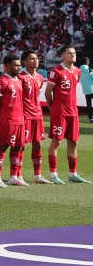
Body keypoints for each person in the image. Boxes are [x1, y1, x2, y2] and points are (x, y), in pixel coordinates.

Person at [45, 44, 89, 184]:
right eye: (69, 53)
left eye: (74, 53)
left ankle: (73, 174)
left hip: (73, 113)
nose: (72, 55)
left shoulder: (77, 71)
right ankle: (53, 175)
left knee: (74, 143)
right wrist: (53, 108)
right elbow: (47, 92)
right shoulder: (56, 71)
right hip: (60, 113)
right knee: (56, 142)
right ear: (63, 55)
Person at [0, 53, 27, 187]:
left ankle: (13, 176)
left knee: (18, 147)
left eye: (19, 65)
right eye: (16, 65)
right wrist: (0, 118)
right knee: (3, 146)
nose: (19, 67)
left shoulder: (19, 80)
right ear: (7, 66)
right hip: (8, 120)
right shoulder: (2, 81)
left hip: (20, 120)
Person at [19, 50, 49, 184]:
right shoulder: (20, 77)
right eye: (31, 59)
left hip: (37, 115)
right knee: (21, 146)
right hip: (24, 115)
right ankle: (17, 174)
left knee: (38, 145)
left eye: (36, 58)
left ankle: (37, 175)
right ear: (24, 62)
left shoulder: (40, 78)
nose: (35, 61)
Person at [81, 56, 93, 123]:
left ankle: (90, 118)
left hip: (86, 90)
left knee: (89, 104)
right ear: (87, 62)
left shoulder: (79, 70)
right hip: (92, 89)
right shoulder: (89, 69)